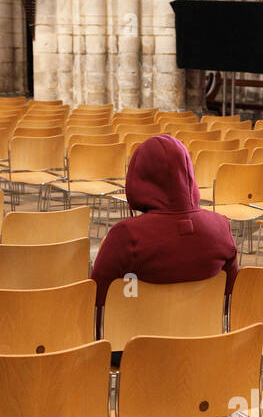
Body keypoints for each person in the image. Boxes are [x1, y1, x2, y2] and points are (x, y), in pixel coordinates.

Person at [90, 134, 238, 355]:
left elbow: (96, 303)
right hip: (202, 345)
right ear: (188, 174)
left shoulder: (126, 235)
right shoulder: (220, 227)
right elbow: (230, 294)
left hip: (135, 351)